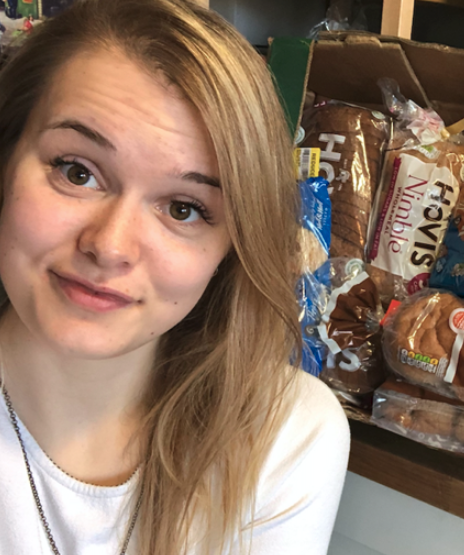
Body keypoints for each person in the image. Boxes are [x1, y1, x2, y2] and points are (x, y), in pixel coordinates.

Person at [0, 0, 350, 553]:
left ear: (231, 247)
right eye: (77, 172)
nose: (110, 246)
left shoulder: (285, 433)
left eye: (184, 209)